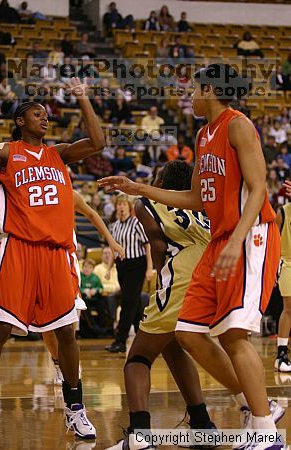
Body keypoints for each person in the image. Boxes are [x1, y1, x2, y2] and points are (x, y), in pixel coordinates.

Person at [99, 63, 284, 449]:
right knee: (188, 332)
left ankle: (265, 430)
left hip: (250, 236)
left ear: (211, 90)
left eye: (196, 88)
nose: (191, 95)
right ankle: (257, 407)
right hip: (222, 237)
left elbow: (257, 189)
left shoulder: (238, 125)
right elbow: (198, 198)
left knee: (234, 335)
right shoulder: (203, 135)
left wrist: (236, 240)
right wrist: (139, 188)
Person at [0, 77, 105, 440]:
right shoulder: (6, 151)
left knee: (66, 333)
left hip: (57, 252)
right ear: (20, 120)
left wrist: (83, 98)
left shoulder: (59, 153)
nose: (45, 119)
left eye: (46, 115)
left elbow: (99, 142)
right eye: (37, 114)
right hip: (19, 249)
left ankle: (75, 407)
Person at [106, 161, 219, 450]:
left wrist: (160, 276)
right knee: (171, 346)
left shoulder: (147, 202)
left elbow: (157, 245)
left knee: (138, 359)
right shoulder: (201, 206)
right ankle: (203, 426)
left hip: (181, 276)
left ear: (161, 180)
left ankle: (139, 434)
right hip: (213, 276)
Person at [42, 189, 124, 384]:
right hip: (40, 258)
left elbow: (92, 214)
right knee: (45, 323)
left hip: (64, 259)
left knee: (67, 325)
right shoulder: (32, 188)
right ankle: (57, 362)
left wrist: (111, 241)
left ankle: (68, 366)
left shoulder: (68, 193)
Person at [105, 195, 153, 353]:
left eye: (124, 204)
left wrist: (149, 268)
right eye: (119, 204)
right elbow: (113, 249)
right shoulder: (114, 226)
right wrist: (108, 268)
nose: (121, 207)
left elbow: (147, 245)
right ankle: (144, 335)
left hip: (137, 265)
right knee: (134, 303)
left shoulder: (136, 223)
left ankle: (120, 341)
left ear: (129, 206)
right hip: (121, 266)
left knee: (127, 302)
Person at [275, 202, 291, 372]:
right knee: (289, 308)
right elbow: (273, 242)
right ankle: (281, 355)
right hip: (288, 264)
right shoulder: (283, 212)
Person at [94, 246, 121, 329]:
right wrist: (113, 288)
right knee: (111, 298)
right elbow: (98, 286)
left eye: (109, 253)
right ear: (102, 256)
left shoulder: (118, 267)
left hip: (120, 294)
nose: (107, 255)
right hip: (105, 296)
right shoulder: (97, 269)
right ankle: (114, 325)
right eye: (105, 253)